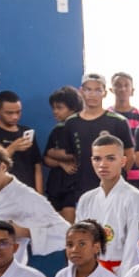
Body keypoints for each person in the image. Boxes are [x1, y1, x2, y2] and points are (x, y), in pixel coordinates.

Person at [0, 140, 69, 267]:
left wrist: (23, 232)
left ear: (2, 167)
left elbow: (65, 232)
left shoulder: (26, 196)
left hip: (7, 271)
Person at [49, 74, 137, 201]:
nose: (92, 94)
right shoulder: (71, 123)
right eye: (88, 90)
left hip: (113, 191)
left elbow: (130, 155)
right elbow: (72, 155)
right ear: (81, 91)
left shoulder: (119, 121)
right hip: (82, 190)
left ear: (104, 93)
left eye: (97, 90)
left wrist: (116, 178)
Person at [73, 132, 139, 272]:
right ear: (91, 161)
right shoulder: (86, 199)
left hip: (121, 271)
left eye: (110, 158)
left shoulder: (135, 198)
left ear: (123, 161)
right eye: (97, 159)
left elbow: (134, 248)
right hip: (91, 272)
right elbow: (78, 241)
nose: (103, 164)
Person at [40, 87, 83, 219]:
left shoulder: (81, 128)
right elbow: (46, 157)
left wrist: (55, 153)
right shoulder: (56, 130)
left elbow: (77, 154)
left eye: (59, 108)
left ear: (73, 108)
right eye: (53, 108)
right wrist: (61, 163)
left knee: (69, 224)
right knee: (55, 224)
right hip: (56, 185)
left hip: (74, 186)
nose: (55, 111)